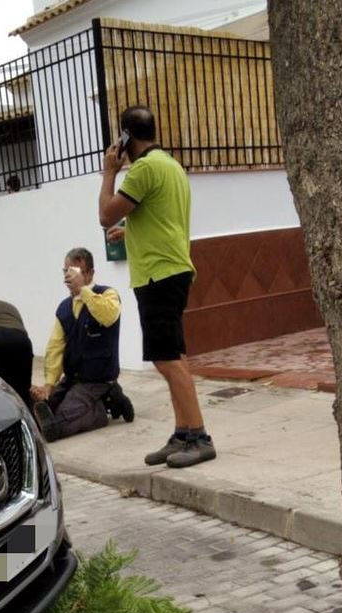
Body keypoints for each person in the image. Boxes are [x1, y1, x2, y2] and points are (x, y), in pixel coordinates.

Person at [98, 105, 215, 468]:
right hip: (172, 268)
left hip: (158, 274)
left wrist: (108, 173)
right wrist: (132, 230)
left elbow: (105, 215)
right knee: (173, 355)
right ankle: (183, 433)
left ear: (126, 138)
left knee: (167, 360)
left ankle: (199, 436)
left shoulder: (144, 169)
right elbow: (163, 218)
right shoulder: (171, 165)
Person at [31, 247, 134, 442]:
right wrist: (48, 385)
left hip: (98, 377)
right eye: (67, 272)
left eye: (76, 272)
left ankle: (103, 409)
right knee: (46, 408)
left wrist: (83, 290)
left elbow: (108, 316)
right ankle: (109, 400)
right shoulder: (64, 307)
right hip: (73, 376)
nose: (70, 277)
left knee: (60, 422)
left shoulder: (108, 294)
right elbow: (56, 346)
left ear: (90, 273)